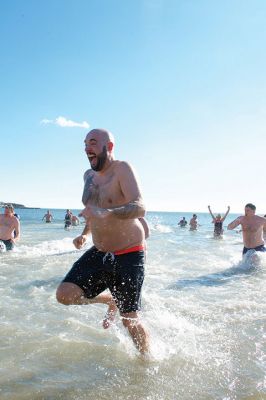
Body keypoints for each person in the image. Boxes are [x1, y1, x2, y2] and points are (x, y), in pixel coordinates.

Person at [56, 128, 149, 354]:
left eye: (94, 142)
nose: (87, 147)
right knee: (65, 295)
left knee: (129, 319)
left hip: (129, 252)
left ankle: (147, 361)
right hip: (100, 251)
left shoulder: (122, 169)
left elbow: (139, 206)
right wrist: (85, 234)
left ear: (109, 147)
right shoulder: (88, 176)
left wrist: (108, 213)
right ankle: (109, 300)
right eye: (86, 143)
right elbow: (93, 209)